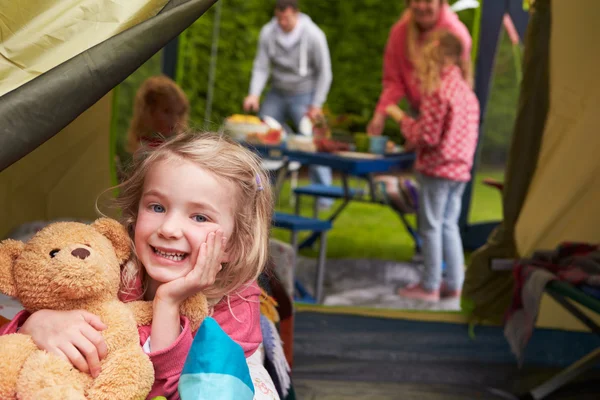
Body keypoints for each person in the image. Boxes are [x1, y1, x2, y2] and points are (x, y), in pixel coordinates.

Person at [1, 133, 279, 399]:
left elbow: (175, 391)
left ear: (234, 243)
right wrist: (33, 323)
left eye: (199, 217)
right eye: (157, 207)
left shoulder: (235, 307)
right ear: (134, 214)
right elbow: (13, 349)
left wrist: (168, 303)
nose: (169, 229)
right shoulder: (112, 270)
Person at [386, 30, 479, 302]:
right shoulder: (466, 92)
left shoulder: (439, 91)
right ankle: (455, 284)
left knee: (431, 227)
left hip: (437, 170)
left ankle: (429, 286)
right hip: (460, 171)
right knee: (449, 224)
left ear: (440, 59)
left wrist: (401, 118)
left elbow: (427, 136)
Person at [243, 0, 334, 210]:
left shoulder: (313, 35)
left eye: (287, 18)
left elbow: (325, 73)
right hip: (277, 93)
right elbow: (261, 66)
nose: (282, 22)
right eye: (279, 17)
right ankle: (263, 193)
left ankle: (325, 197)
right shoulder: (268, 32)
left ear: (296, 13)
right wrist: (254, 94)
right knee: (262, 138)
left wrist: (317, 104)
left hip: (305, 96)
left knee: (313, 142)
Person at [367, 0, 472, 136]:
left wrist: (414, 130)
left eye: (428, 1)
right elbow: (393, 82)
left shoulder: (456, 34)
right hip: (419, 115)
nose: (421, 6)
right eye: (416, 0)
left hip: (448, 118)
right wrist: (380, 115)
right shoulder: (399, 33)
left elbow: (429, 138)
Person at [126, 75, 190, 154]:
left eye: (179, 113)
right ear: (149, 111)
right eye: (167, 111)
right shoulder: (146, 150)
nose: (175, 119)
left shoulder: (178, 142)